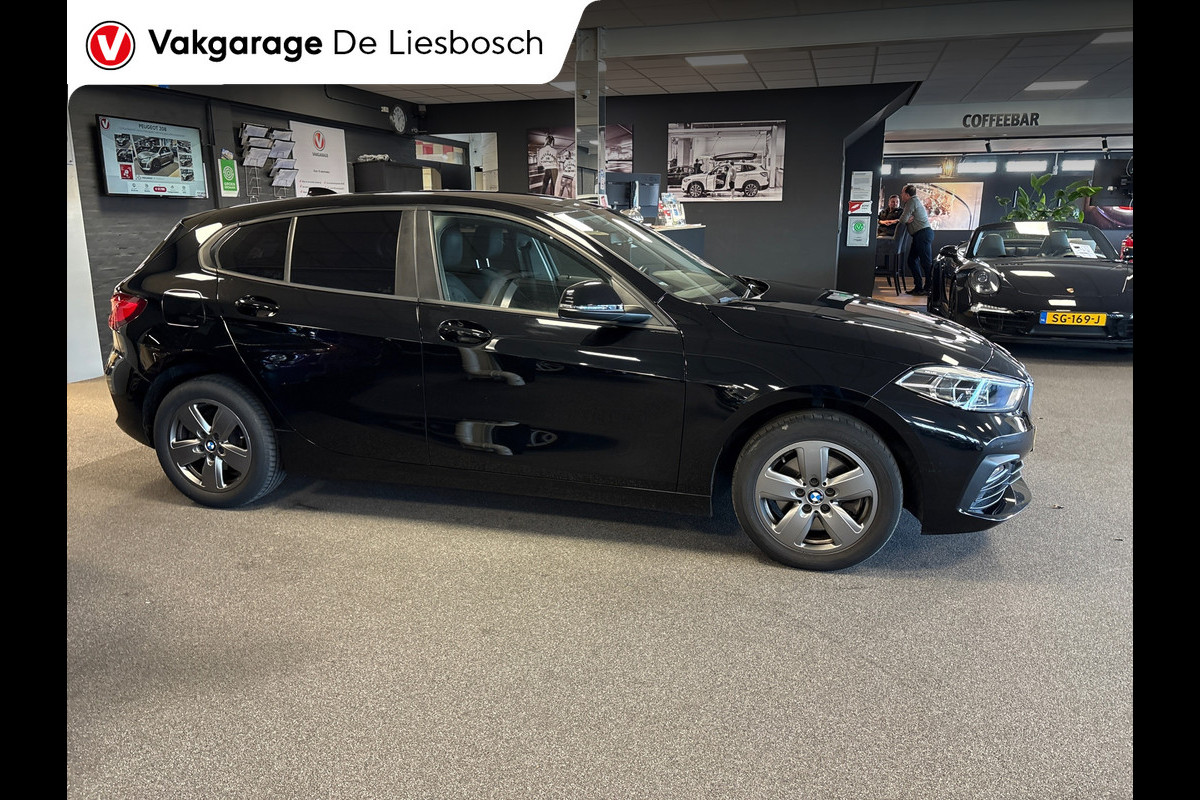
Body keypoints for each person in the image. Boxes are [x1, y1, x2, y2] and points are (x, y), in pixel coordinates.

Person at [897, 184, 933, 295]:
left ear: (907, 195)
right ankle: (919, 287)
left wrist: (906, 220)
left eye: (902, 193)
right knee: (912, 261)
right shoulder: (913, 201)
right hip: (920, 235)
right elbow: (905, 219)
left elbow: (902, 220)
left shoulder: (911, 201)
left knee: (926, 263)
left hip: (923, 234)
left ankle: (928, 288)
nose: (901, 195)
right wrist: (906, 219)